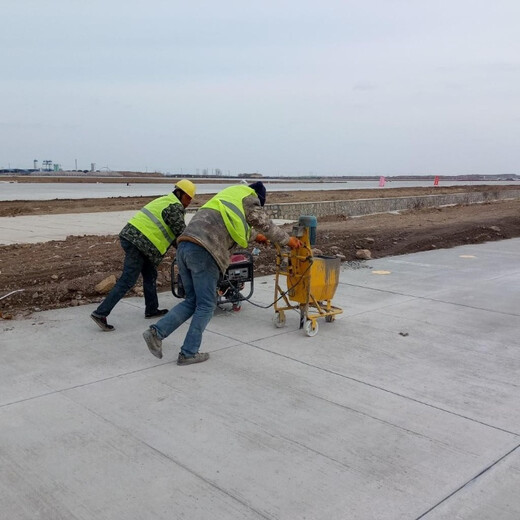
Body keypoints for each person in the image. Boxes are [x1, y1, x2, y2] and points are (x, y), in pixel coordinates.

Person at [142, 181, 302, 365]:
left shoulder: (229, 196)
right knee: (207, 305)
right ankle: (188, 353)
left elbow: (228, 224)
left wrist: (257, 237)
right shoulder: (250, 198)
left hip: (185, 246)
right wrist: (288, 241)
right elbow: (266, 225)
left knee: (193, 301)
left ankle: (156, 333)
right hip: (205, 251)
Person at [90, 179, 196, 331]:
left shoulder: (166, 201)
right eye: (188, 198)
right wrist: (190, 249)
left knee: (150, 275)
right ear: (180, 194)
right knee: (128, 280)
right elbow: (179, 233)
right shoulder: (174, 207)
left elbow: (173, 236)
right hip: (138, 243)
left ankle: (151, 309)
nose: (189, 202)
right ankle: (100, 313)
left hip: (140, 243)